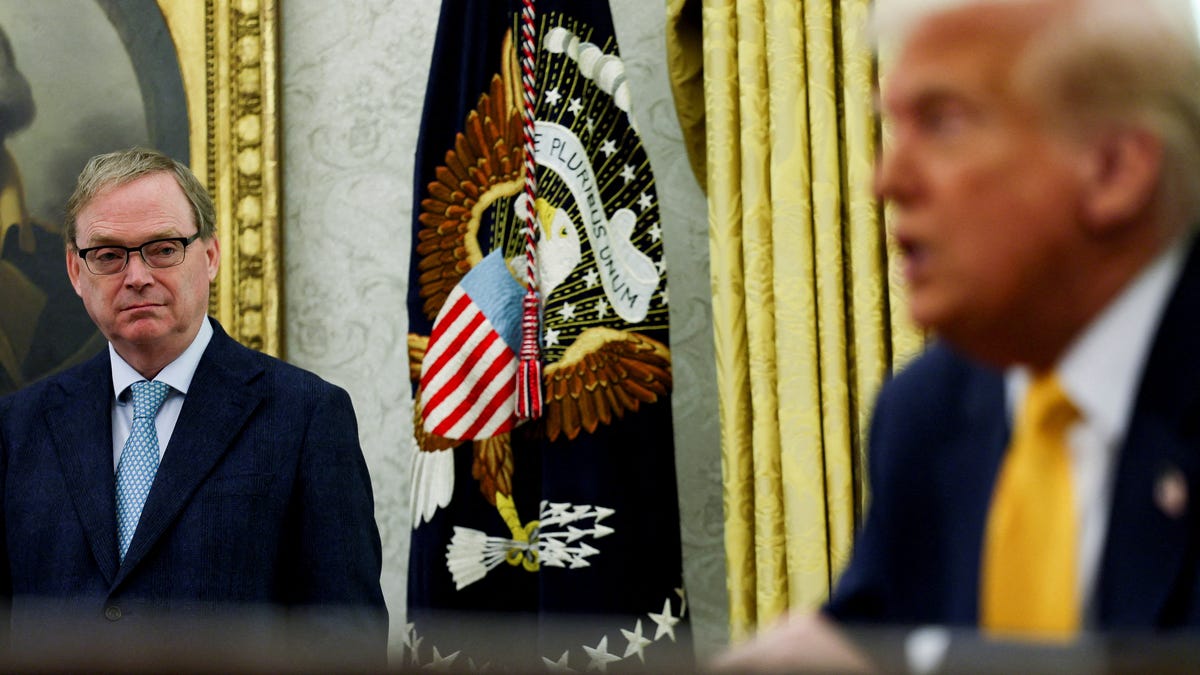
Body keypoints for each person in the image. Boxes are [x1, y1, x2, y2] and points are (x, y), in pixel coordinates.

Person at [716, 0, 1200, 670]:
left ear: (1115, 167)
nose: (887, 179)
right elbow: (875, 638)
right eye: (892, 128)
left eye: (943, 123)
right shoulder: (925, 412)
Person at [0, 148, 387, 666]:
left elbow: (346, 642)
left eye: (162, 249)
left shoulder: (307, 415)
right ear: (75, 270)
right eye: (109, 255)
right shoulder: (19, 426)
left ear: (209, 256)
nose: (136, 275)